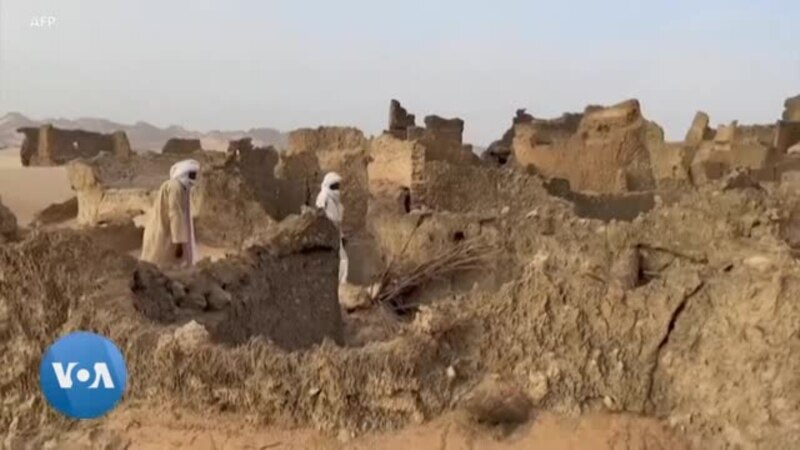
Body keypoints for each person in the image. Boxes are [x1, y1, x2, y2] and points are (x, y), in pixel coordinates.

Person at [140, 159, 199, 269]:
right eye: (191, 175)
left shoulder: (180, 188)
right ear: (184, 173)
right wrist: (179, 242)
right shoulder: (175, 187)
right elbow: (175, 213)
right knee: (154, 265)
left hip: (166, 232)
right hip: (162, 232)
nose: (194, 178)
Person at [316, 172, 348, 283]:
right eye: (334, 186)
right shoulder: (323, 197)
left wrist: (342, 235)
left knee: (343, 260)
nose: (336, 189)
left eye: (337, 186)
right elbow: (320, 216)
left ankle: (341, 283)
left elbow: (338, 222)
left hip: (336, 234)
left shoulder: (336, 201)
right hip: (328, 235)